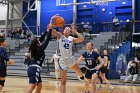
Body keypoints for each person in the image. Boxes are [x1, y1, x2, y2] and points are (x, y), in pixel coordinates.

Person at [48, 19, 87, 93]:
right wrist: (51, 26)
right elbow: (52, 32)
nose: (66, 29)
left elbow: (82, 39)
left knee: (79, 73)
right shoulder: (60, 36)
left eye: (68, 29)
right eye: (65, 28)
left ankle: (82, 77)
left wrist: (75, 31)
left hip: (70, 59)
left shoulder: (71, 38)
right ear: (63, 31)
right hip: (62, 60)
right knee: (63, 82)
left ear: (70, 32)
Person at [25, 27, 52, 93]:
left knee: (39, 85)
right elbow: (47, 39)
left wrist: (46, 31)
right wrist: (50, 30)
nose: (41, 42)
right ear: (37, 44)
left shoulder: (35, 48)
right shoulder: (40, 49)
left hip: (31, 68)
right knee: (32, 86)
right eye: (39, 42)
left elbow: (41, 39)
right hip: (35, 68)